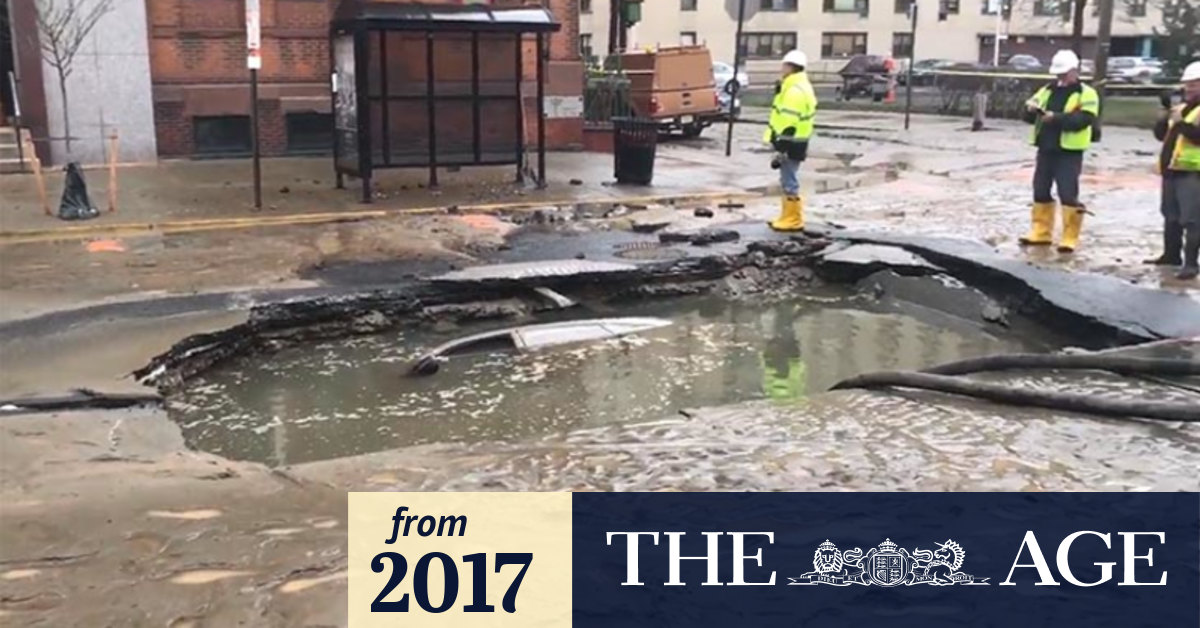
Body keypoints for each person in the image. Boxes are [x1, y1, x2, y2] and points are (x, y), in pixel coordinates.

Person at [1019, 49, 1100, 253]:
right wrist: (1030, 110)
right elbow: (1029, 117)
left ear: (1075, 71)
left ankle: (1069, 237)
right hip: (1046, 148)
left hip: (1069, 152)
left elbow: (1084, 120)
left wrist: (1056, 118)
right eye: (1058, 74)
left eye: (1064, 73)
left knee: (1067, 193)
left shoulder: (1087, 93)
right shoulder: (1047, 90)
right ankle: (1041, 232)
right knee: (1040, 189)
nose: (1060, 77)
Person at [1145, 61, 1200, 280]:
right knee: (1171, 215)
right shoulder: (1181, 108)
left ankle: (1191, 264)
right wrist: (1163, 116)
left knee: (1192, 219)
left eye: (1195, 84)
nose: (1190, 88)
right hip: (1172, 169)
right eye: (1188, 84)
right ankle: (1171, 255)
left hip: (1193, 172)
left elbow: (1196, 136)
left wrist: (1181, 124)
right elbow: (1162, 135)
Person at [764, 49, 818, 232]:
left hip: (791, 142)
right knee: (787, 178)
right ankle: (787, 216)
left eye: (784, 65)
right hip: (795, 141)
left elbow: (789, 121)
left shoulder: (794, 90)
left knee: (789, 180)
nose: (781, 68)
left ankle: (793, 219)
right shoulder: (796, 86)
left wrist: (781, 146)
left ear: (791, 67)